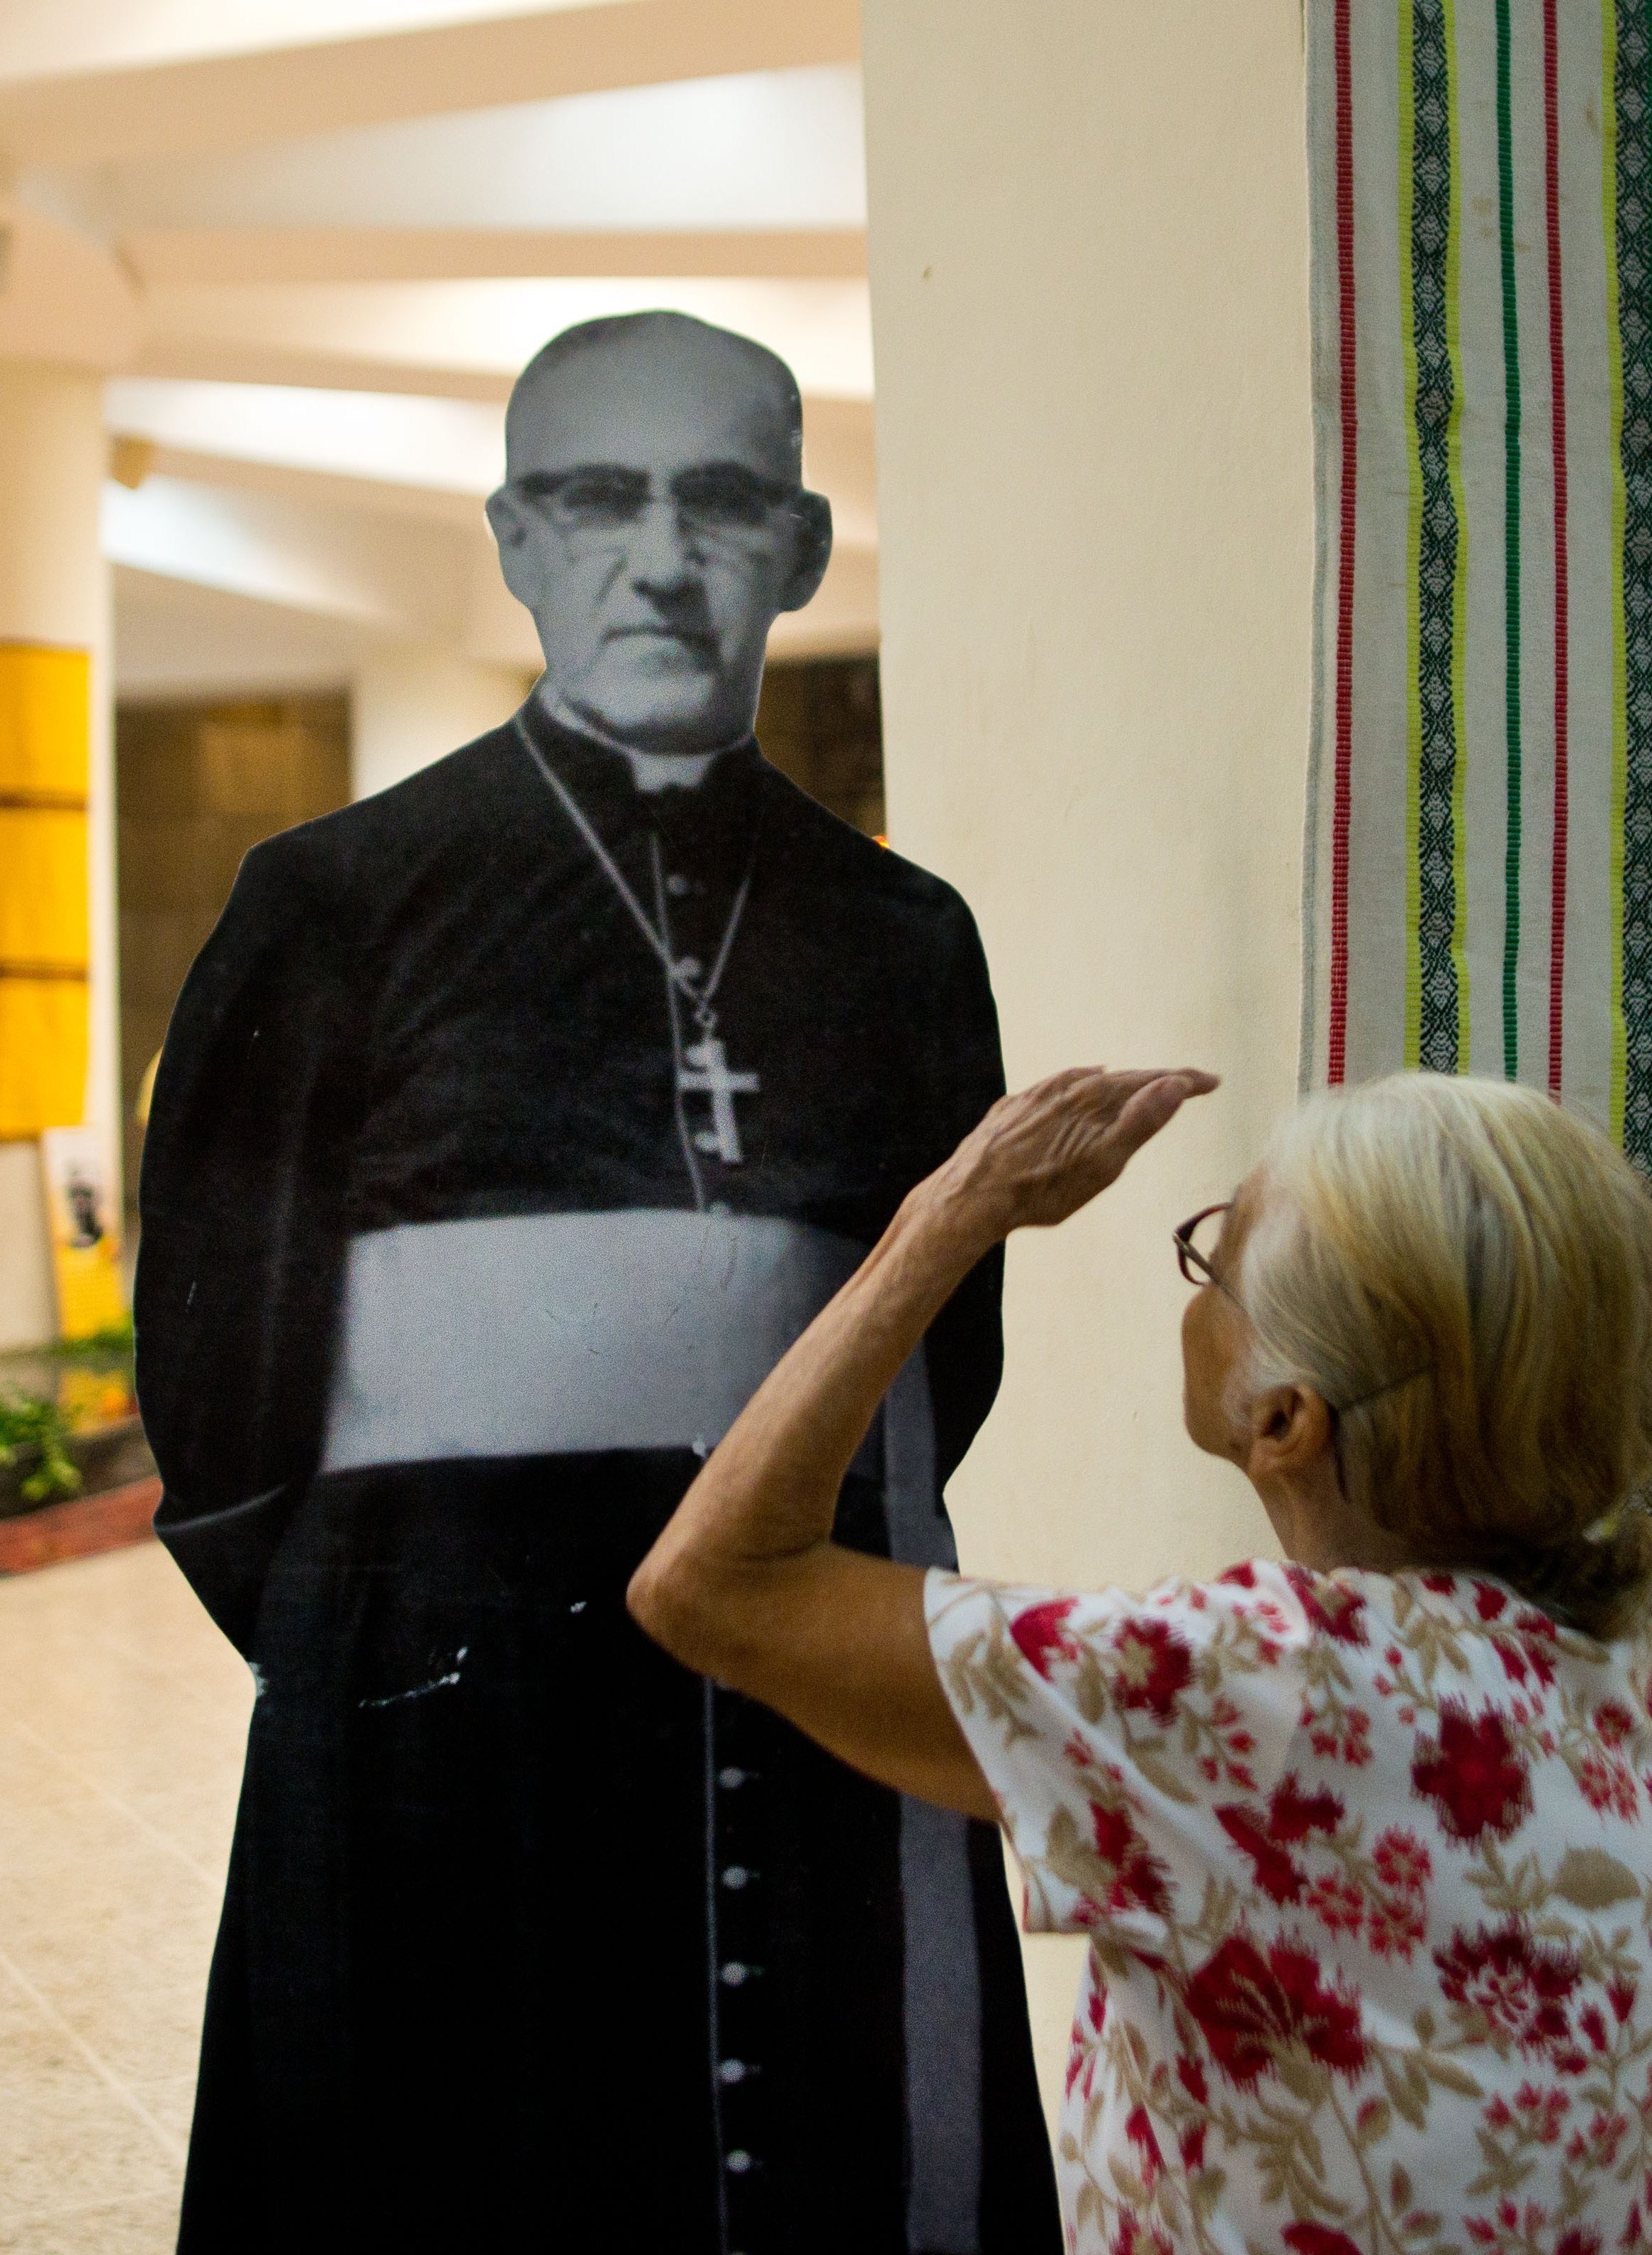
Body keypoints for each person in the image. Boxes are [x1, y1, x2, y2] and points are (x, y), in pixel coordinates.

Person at [136, 313, 1057, 2254]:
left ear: (800, 551)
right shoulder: (331, 902)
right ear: (513, 540)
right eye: (595, 497)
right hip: (439, 1733)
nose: (658, 557)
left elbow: (933, 1366)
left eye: (717, 501)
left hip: (807, 1710)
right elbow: (219, 1392)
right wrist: (409, 1654)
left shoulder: (900, 938)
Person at [631, 1065, 1652, 2255]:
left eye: (1216, 1254)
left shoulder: (1271, 1690)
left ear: (1284, 1419)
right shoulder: (1621, 1679)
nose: (1195, 1278)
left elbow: (711, 1582)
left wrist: (948, 1213)